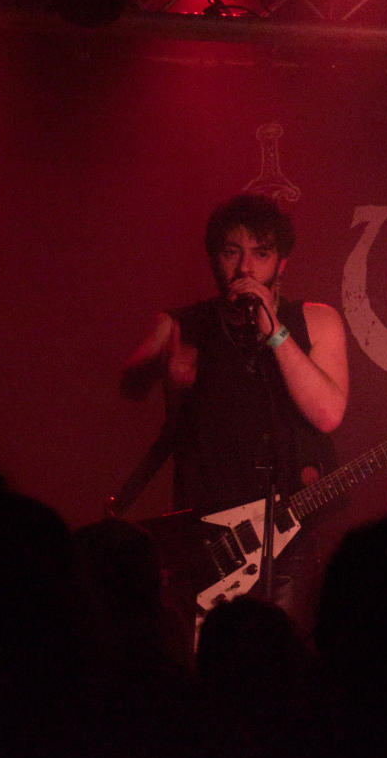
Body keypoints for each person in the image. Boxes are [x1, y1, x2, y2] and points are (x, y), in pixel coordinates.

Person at [113, 195, 349, 599]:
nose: (245, 268)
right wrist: (159, 364)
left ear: (282, 263)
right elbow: (129, 385)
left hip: (290, 535)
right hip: (207, 539)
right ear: (214, 259)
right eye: (231, 252)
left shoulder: (316, 320)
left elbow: (327, 414)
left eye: (261, 254)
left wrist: (275, 331)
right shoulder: (182, 325)